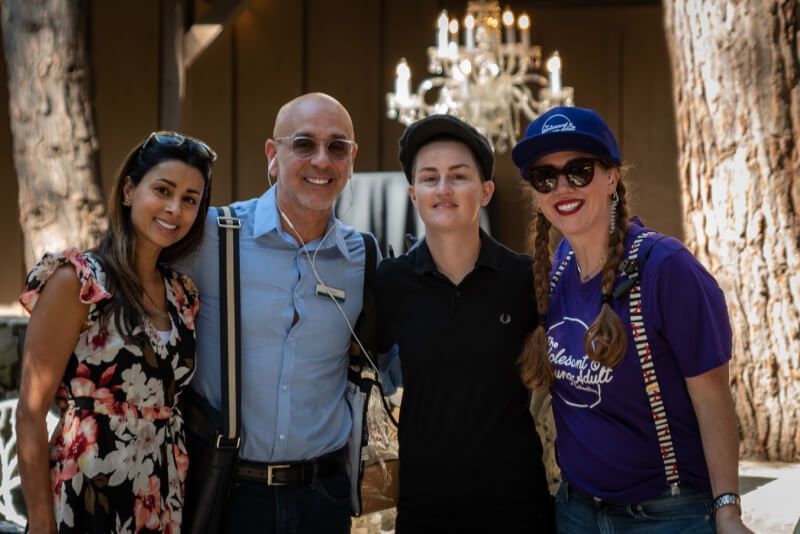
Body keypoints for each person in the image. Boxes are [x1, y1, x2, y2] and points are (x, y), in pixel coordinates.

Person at [512, 106, 752, 533]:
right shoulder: (556, 268)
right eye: (545, 177)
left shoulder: (666, 269)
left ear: (611, 177)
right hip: (576, 512)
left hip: (666, 516)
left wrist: (728, 510)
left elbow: (712, 398)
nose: (562, 186)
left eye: (579, 170)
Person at [180, 92, 369, 534]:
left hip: (324, 497)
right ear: (273, 155)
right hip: (225, 492)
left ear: (351, 159)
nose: (322, 160)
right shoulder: (208, 237)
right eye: (303, 144)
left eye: (337, 147)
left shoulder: (365, 258)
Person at [16, 131, 216, 533]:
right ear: (128, 191)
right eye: (163, 190)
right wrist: (41, 523)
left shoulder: (182, 295)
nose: (175, 208)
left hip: (161, 498)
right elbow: (30, 414)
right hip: (87, 493)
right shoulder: (80, 282)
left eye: (190, 199)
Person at [373, 115, 554, 532]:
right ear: (412, 193)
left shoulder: (523, 279)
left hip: (518, 507)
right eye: (430, 178)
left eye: (458, 177)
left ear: (486, 191)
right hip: (425, 509)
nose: (443, 189)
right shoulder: (391, 282)